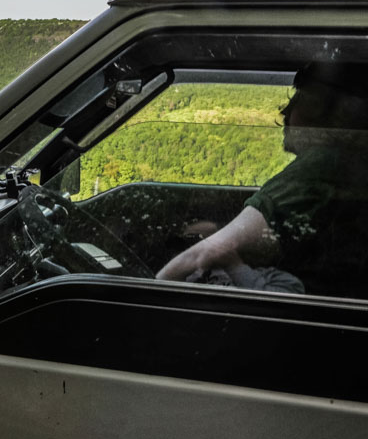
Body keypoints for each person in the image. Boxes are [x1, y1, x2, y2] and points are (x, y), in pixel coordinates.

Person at [157, 62, 368, 298]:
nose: (285, 112)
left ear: (327, 114)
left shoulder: (325, 164)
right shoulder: (355, 165)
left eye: (299, 101)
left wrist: (151, 292)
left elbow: (216, 250)